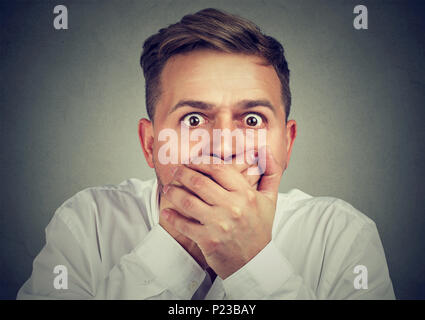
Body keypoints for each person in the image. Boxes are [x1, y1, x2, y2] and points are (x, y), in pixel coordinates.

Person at [17, 8, 395, 299]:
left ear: (287, 142)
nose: (225, 145)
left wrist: (253, 263)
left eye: (252, 119)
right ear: (150, 144)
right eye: (194, 119)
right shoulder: (87, 225)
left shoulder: (342, 236)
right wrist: (176, 249)